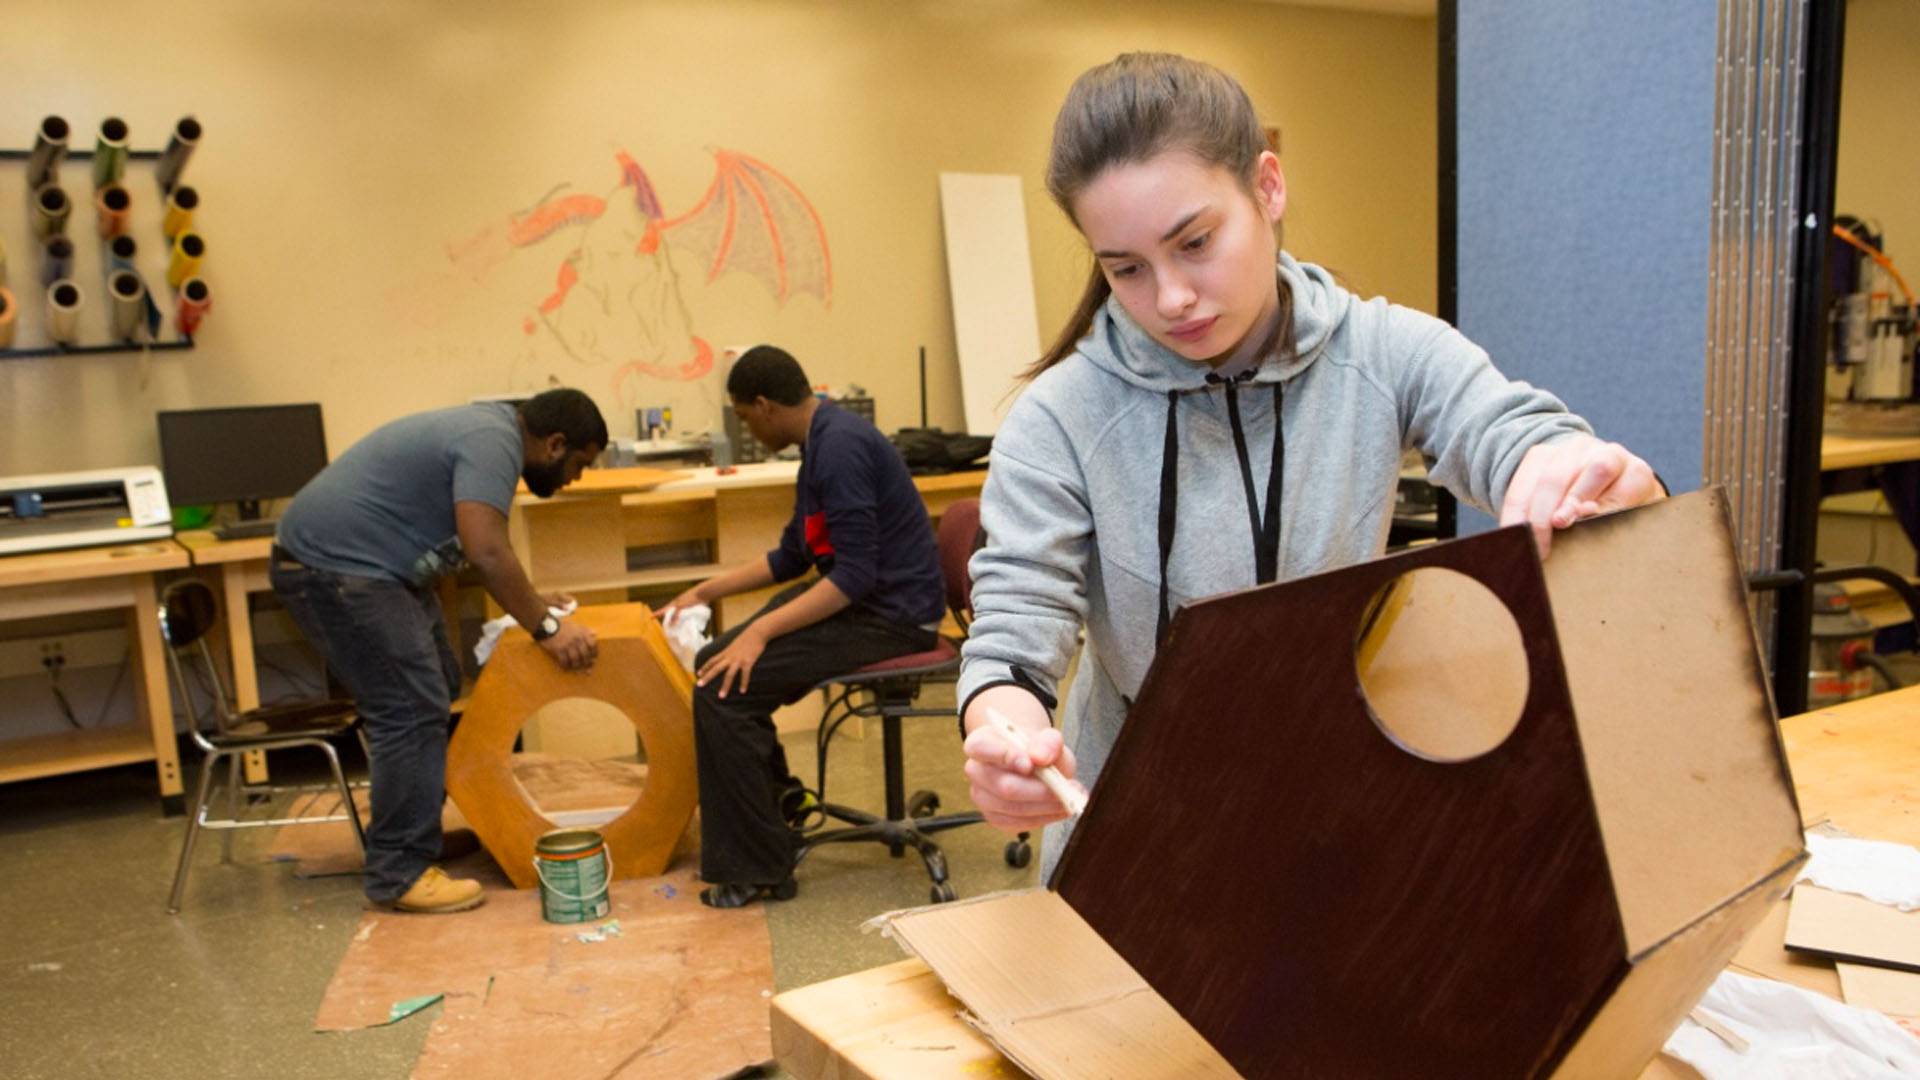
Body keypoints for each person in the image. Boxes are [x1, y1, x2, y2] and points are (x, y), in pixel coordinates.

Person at [956, 53, 1666, 881]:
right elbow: (1012, 634)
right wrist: (1003, 734)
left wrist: (1568, 468)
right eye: (1127, 270)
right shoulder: (1062, 417)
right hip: (1138, 839)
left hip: (1334, 815)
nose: (1173, 297)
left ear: (1268, 187)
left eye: (1196, 242)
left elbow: (1507, 430)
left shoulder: (1384, 351)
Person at [270, 388, 607, 913]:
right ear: (555, 443)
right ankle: (399, 869)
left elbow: (487, 548)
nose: (574, 479)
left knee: (439, 686)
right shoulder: (493, 441)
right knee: (408, 706)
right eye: (578, 465)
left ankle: (414, 836)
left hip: (367, 568)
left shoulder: (493, 433)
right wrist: (546, 628)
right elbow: (487, 550)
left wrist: (535, 602)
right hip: (337, 567)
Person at [660, 345, 946, 909]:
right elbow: (794, 556)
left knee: (724, 685)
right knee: (718, 663)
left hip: (892, 618)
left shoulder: (839, 447)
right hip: (867, 604)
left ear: (763, 406)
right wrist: (706, 591)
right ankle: (780, 816)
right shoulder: (820, 443)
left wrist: (760, 633)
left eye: (744, 417)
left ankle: (759, 865)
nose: (747, 427)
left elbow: (857, 574)